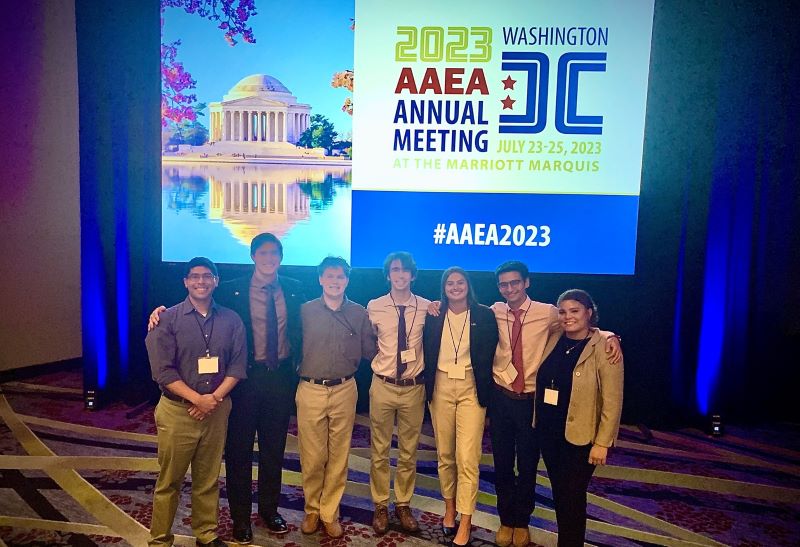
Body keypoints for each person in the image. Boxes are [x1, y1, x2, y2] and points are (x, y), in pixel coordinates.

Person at [149, 233, 306, 544]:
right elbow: (199, 303)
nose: (268, 258)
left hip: (280, 379)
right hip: (242, 381)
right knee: (239, 452)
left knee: (274, 450)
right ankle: (239, 518)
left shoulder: (295, 289)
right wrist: (159, 311)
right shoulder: (233, 288)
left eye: (274, 253)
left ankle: (269, 510)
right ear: (252, 256)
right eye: (262, 252)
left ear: (281, 256)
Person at [145, 257, 247, 547]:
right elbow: (162, 372)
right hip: (177, 412)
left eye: (207, 276)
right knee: (169, 481)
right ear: (185, 282)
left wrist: (212, 399)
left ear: (216, 280)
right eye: (194, 277)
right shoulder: (165, 319)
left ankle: (206, 533)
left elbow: (238, 367)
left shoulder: (231, 319)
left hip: (216, 410)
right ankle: (160, 539)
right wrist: (196, 399)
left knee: (208, 478)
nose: (201, 281)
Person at [296, 256, 377, 539]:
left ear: (347, 280)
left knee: (339, 453)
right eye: (329, 276)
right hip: (310, 389)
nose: (335, 281)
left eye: (340, 276)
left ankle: (330, 512)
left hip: (345, 388)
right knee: (313, 455)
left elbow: (372, 349)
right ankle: (312, 509)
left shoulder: (359, 313)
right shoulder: (304, 311)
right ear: (320, 279)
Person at [535, 289, 624, 547]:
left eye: (575, 311)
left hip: (582, 438)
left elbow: (613, 400)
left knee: (572, 496)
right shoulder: (554, 337)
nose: (567, 317)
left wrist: (603, 442)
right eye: (562, 311)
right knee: (561, 495)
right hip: (550, 434)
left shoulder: (605, 347)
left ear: (589, 313)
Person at [422, 267, 499, 547]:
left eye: (460, 282)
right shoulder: (433, 314)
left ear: (469, 285)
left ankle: (466, 520)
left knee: (467, 457)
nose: (455, 287)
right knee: (445, 454)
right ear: (443, 287)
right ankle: (450, 508)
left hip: (471, 388)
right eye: (450, 283)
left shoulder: (484, 315)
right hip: (440, 386)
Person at [366, 252, 430, 535]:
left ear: (413, 275)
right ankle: (381, 503)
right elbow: (368, 341)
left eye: (405, 270)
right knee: (379, 450)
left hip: (413, 388)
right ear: (388, 274)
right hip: (382, 385)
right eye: (395, 270)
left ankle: (403, 503)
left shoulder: (428, 307)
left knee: (408, 450)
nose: (400, 275)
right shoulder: (374, 306)